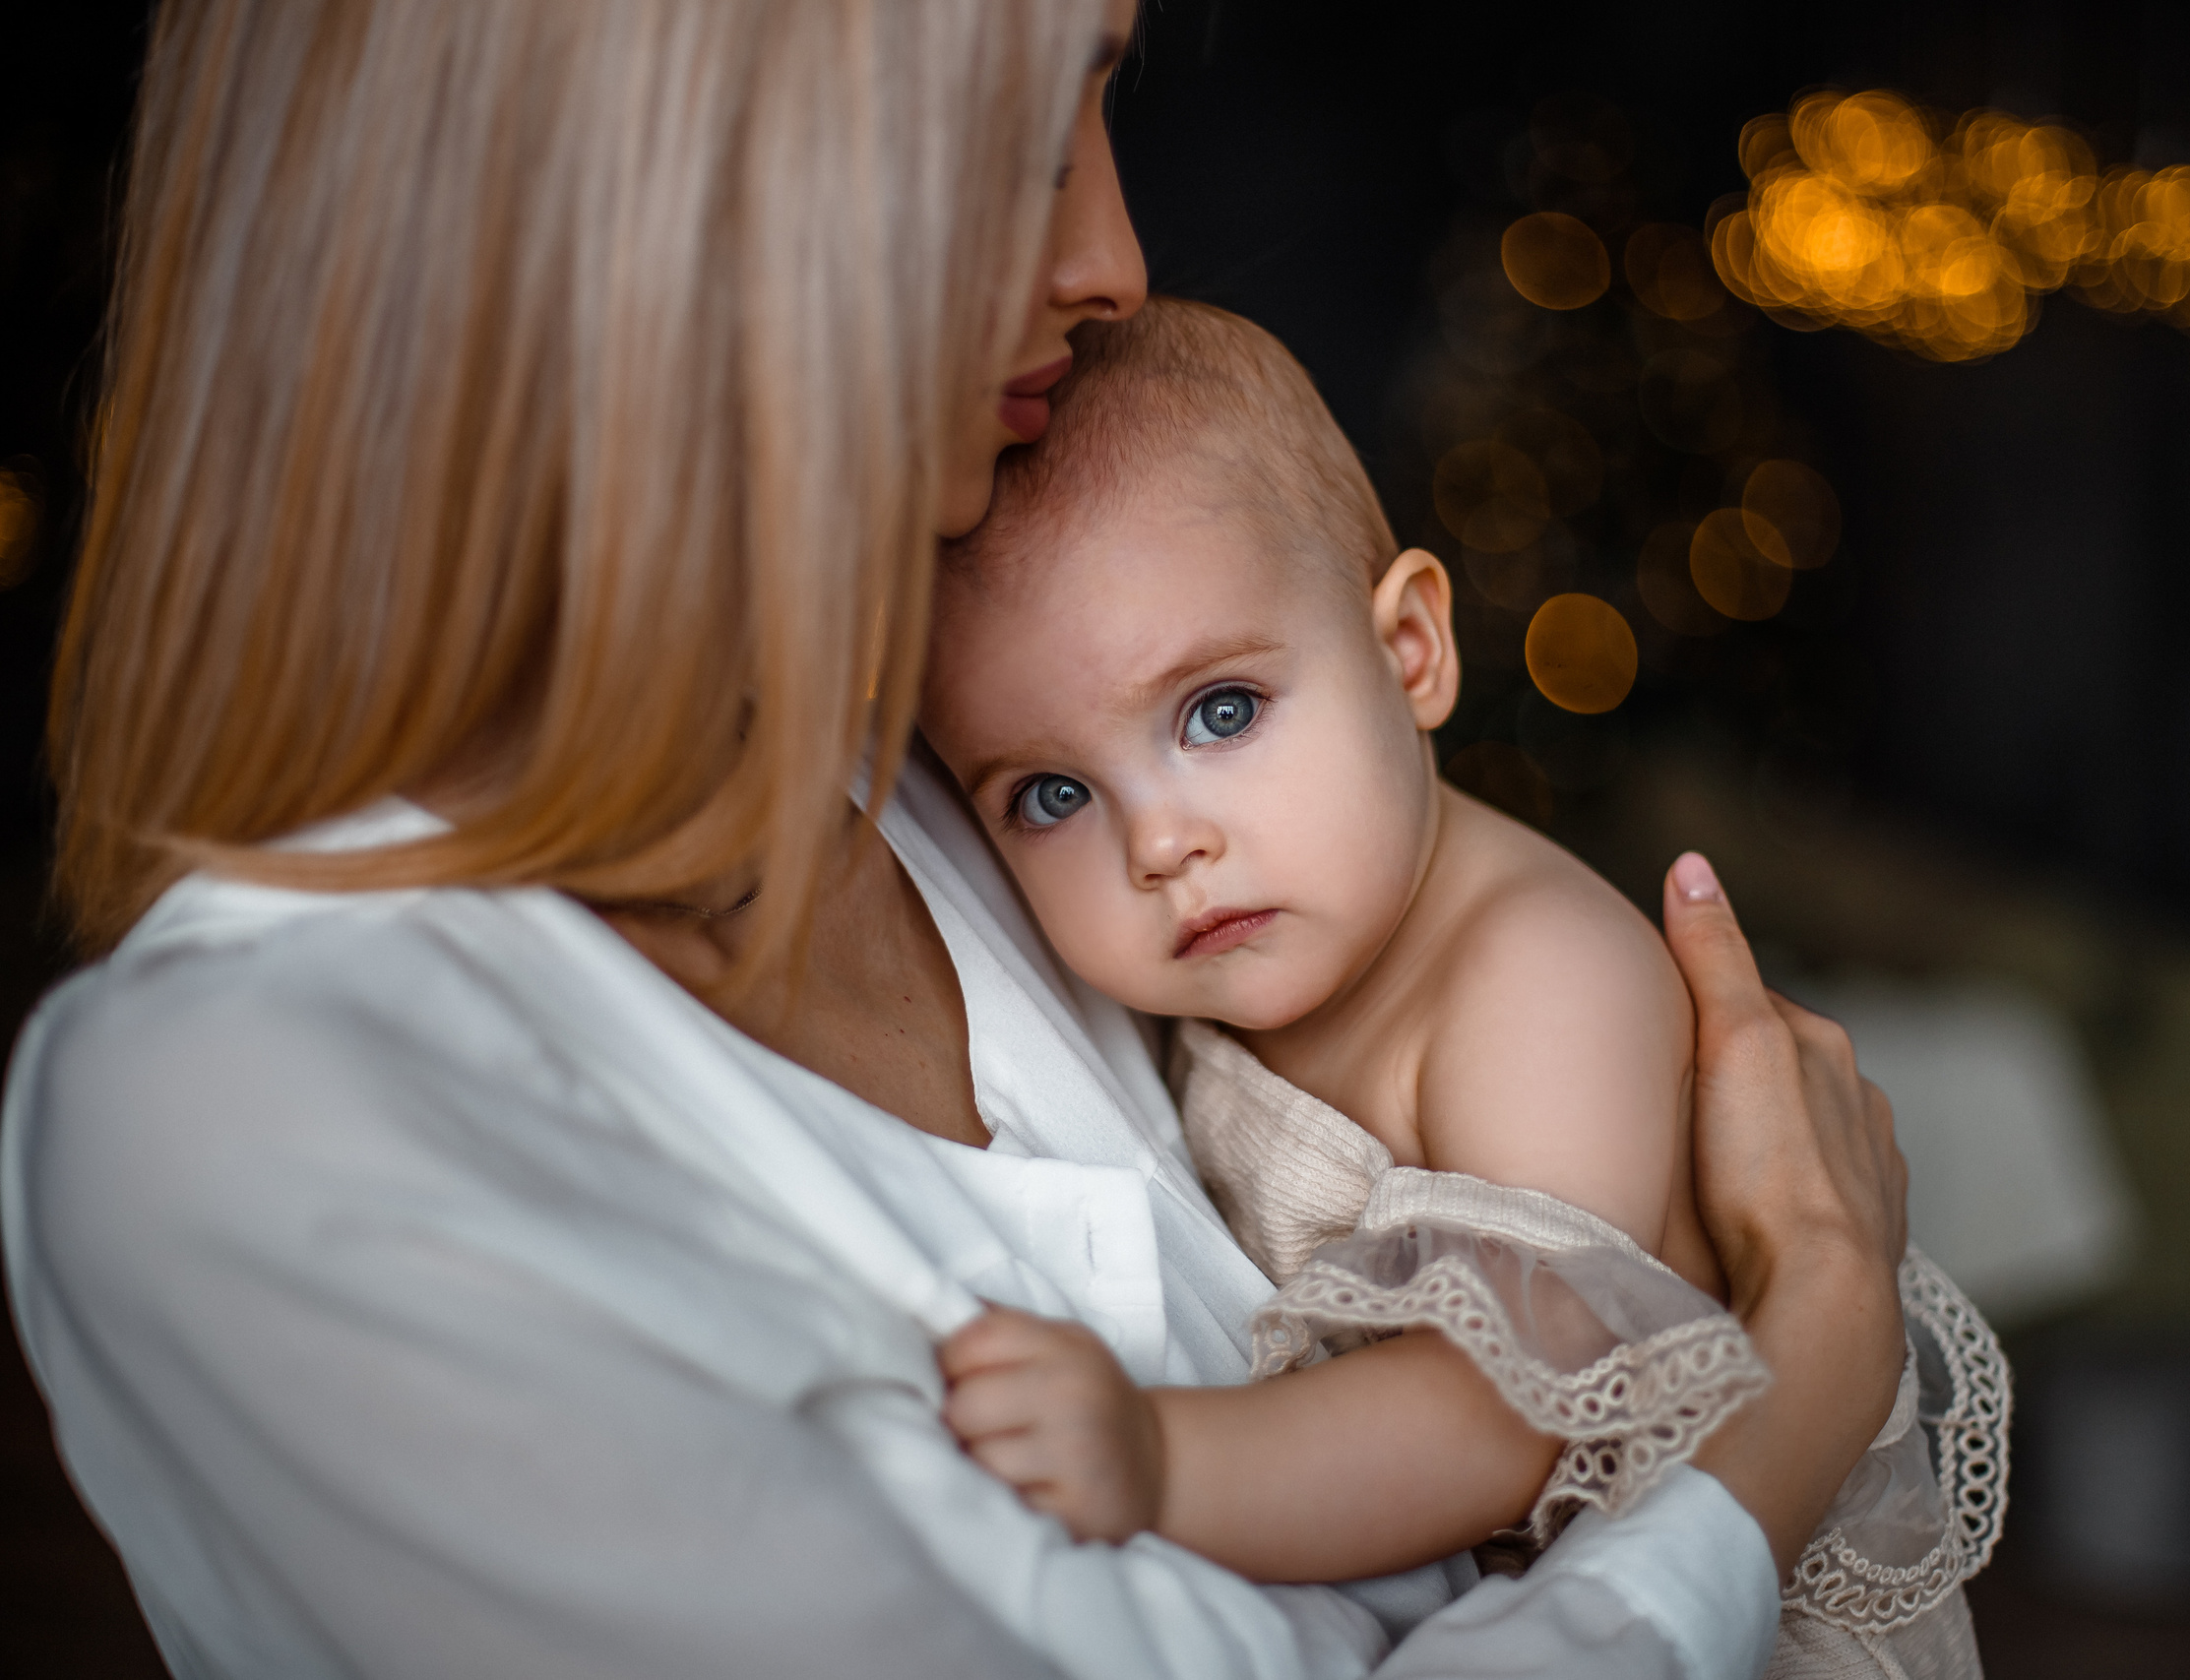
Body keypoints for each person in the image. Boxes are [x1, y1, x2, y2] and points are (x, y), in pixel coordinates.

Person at [6, 2, 1909, 1675]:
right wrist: (1812, 1359)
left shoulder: (937, 773)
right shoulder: (255, 1113)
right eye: (1012, 139)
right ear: (655, 183)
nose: (1114, 259)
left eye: (1104, 108)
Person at [919, 297, 2007, 1676]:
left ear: (1411, 652)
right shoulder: (1239, 953)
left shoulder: (1533, 981)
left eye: (1221, 712)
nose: (1159, 842)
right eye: (1053, 794)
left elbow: (1503, 1415)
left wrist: (1160, 1456)